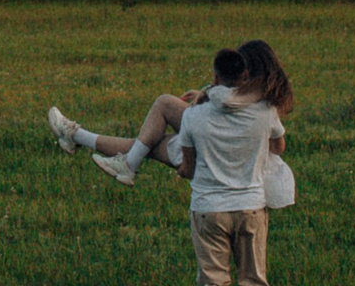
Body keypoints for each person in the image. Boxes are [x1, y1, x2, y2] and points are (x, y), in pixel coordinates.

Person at [47, 40, 292, 196]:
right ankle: (78, 137)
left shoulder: (260, 106)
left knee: (149, 141)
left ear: (248, 72)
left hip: (216, 156)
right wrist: (209, 94)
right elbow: (276, 144)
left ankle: (79, 137)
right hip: (227, 151)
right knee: (152, 130)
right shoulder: (260, 98)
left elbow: (276, 147)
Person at [172, 42, 293, 286]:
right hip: (251, 207)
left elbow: (188, 167)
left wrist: (181, 171)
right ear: (245, 76)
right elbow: (278, 147)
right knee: (254, 282)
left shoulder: (193, 116)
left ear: (215, 78)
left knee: (213, 280)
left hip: (208, 208)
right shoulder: (265, 111)